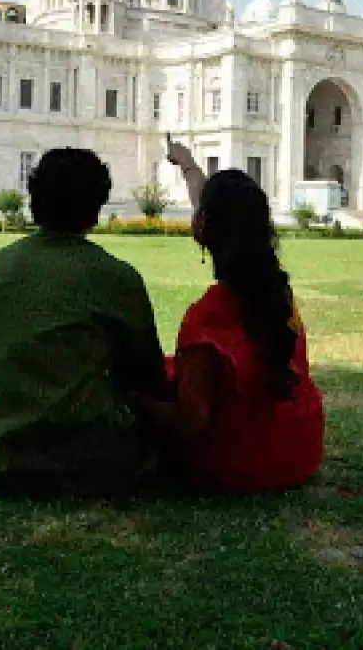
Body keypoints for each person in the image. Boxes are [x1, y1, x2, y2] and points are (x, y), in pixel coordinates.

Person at [0, 147, 170, 493]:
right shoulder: (115, 277)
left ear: (34, 200)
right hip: (93, 463)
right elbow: (148, 378)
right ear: (97, 208)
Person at [130, 139, 325, 492]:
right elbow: (221, 211)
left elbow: (190, 424)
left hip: (239, 464)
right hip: (298, 449)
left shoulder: (209, 318)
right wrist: (188, 164)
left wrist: (129, 397)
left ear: (202, 226)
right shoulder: (278, 295)